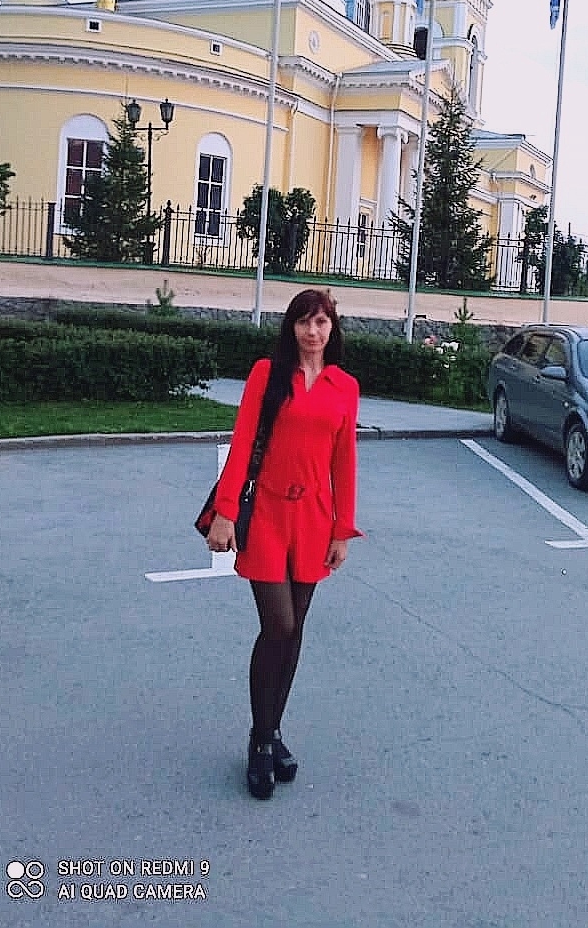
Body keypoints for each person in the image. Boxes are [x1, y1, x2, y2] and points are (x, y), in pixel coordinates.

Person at [204, 288, 362, 800]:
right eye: (303, 322)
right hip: (269, 513)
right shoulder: (267, 374)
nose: (312, 332)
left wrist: (342, 529)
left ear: (332, 329)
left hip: (314, 519)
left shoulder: (344, 386)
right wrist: (225, 513)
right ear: (291, 327)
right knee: (280, 625)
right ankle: (259, 738)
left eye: (321, 322)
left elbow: (344, 462)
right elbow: (242, 443)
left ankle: (270, 734)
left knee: (294, 635)